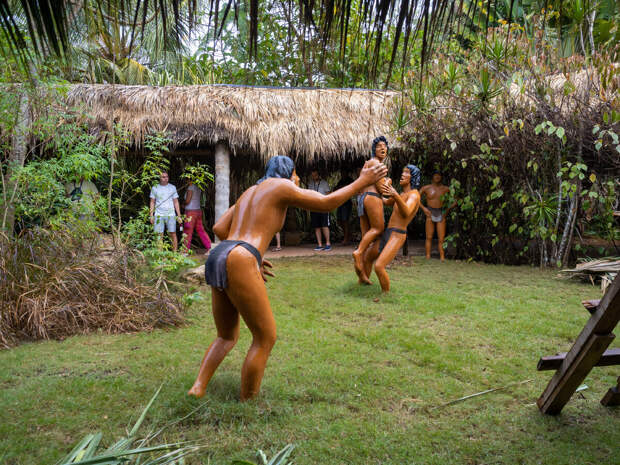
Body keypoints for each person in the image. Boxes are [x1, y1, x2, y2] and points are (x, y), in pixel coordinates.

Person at [188, 155, 387, 401]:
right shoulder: (282, 186)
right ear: (288, 173)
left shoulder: (251, 190)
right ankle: (247, 403)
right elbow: (326, 202)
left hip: (220, 253)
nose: (299, 179)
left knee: (226, 335)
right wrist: (362, 181)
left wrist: (250, 255)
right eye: (296, 174)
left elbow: (219, 228)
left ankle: (198, 387)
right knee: (265, 337)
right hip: (240, 256)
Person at [362, 165, 421, 292]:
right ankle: (364, 284)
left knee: (379, 266)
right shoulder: (402, 194)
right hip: (388, 232)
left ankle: (386, 295)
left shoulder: (414, 195)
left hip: (398, 235)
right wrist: (372, 192)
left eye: (407, 172)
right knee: (367, 257)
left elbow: (407, 211)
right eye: (403, 171)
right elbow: (386, 201)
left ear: (413, 177)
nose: (403, 174)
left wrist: (395, 195)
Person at [353, 136, 391, 284]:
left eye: (385, 146)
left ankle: (362, 277)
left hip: (362, 198)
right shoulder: (377, 163)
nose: (383, 149)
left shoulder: (367, 164)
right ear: (373, 149)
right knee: (378, 228)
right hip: (372, 197)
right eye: (379, 146)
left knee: (367, 237)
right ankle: (358, 251)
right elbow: (384, 189)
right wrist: (389, 181)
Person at [419, 171, 457, 261]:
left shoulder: (446, 189)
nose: (437, 177)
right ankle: (428, 256)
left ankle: (442, 257)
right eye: (435, 175)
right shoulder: (426, 188)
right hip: (430, 212)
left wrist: (447, 210)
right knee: (429, 237)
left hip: (441, 212)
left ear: (441, 177)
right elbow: (415, 198)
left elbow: (456, 201)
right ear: (432, 177)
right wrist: (424, 209)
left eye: (439, 175)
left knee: (441, 238)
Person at [149, 171, 182, 252]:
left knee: (173, 234)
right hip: (158, 214)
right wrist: (151, 215)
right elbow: (152, 202)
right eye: (163, 177)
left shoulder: (172, 187)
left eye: (166, 177)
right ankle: (160, 255)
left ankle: (174, 254)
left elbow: (176, 202)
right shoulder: (155, 187)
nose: (165, 178)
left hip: (171, 214)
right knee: (159, 236)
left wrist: (179, 215)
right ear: (159, 178)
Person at [183, 181, 212, 253]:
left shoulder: (191, 187)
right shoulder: (198, 187)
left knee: (187, 231)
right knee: (201, 230)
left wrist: (183, 204)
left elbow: (187, 201)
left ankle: (185, 251)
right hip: (198, 211)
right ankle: (210, 247)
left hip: (190, 211)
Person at [308, 169, 331, 251]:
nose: (314, 177)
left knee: (325, 225)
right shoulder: (311, 184)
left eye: (315, 175)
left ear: (319, 175)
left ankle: (328, 244)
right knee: (316, 226)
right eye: (313, 176)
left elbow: (329, 194)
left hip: (323, 207)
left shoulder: (324, 183)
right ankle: (319, 244)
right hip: (314, 208)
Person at [335, 173, 354, 245]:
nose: (342, 174)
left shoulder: (350, 180)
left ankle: (346, 238)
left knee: (345, 221)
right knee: (339, 221)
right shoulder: (341, 181)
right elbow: (336, 188)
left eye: (343, 172)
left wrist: (341, 187)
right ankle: (348, 235)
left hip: (346, 203)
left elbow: (350, 188)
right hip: (340, 202)